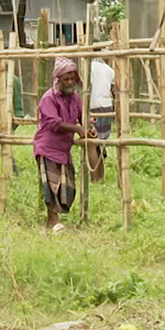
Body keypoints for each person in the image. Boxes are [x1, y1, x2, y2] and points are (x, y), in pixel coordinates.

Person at [33, 57, 96, 230]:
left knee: (66, 187)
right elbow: (54, 123)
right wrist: (77, 130)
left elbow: (83, 116)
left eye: (72, 78)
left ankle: (53, 221)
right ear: (58, 80)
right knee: (52, 187)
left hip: (63, 149)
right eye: (66, 79)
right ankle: (53, 220)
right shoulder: (48, 98)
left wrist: (89, 127)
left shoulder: (75, 98)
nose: (70, 82)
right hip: (47, 147)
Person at [88, 56, 116, 183]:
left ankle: (94, 178)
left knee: (91, 144)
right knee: (101, 143)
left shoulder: (88, 67)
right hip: (106, 107)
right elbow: (113, 90)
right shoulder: (109, 70)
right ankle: (101, 177)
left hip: (93, 107)